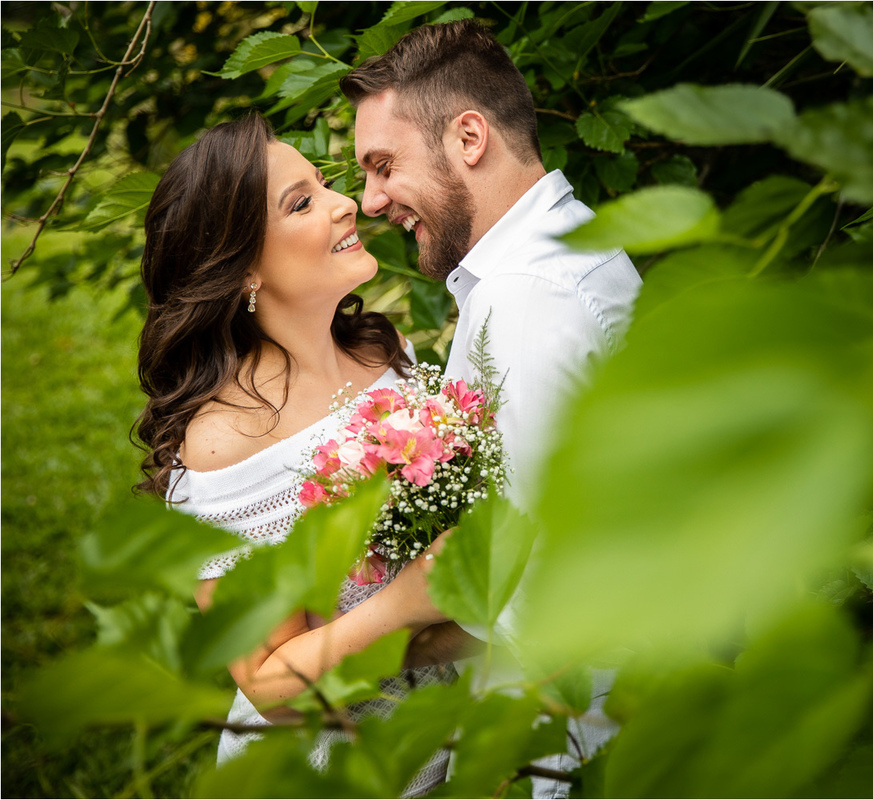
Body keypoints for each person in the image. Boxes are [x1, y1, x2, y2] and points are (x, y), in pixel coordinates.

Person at [340, 19, 642, 797]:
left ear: (469, 136)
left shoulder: (528, 301)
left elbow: (525, 584)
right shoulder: (564, 251)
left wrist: (343, 652)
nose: (371, 201)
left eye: (382, 165)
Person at [134, 114, 463, 790]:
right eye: (302, 202)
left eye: (322, 184)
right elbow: (268, 686)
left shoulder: (385, 352)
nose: (347, 203)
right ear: (243, 266)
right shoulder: (226, 443)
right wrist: (403, 605)